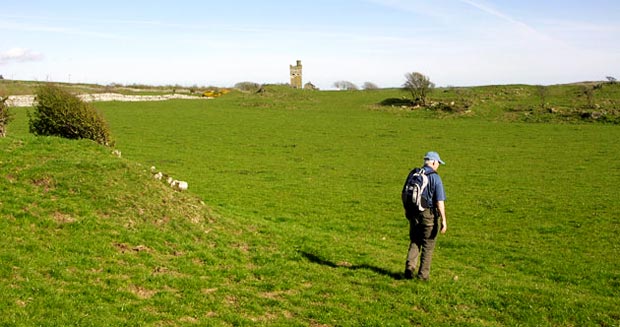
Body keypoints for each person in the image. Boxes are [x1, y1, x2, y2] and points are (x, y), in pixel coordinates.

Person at [403, 151, 447, 281]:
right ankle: (423, 276)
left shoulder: (414, 174)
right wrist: (444, 220)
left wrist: (407, 211)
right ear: (433, 162)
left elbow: (404, 193)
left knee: (415, 241)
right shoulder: (435, 177)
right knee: (428, 244)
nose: (438, 165)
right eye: (438, 163)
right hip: (428, 215)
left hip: (413, 213)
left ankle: (409, 268)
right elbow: (440, 201)